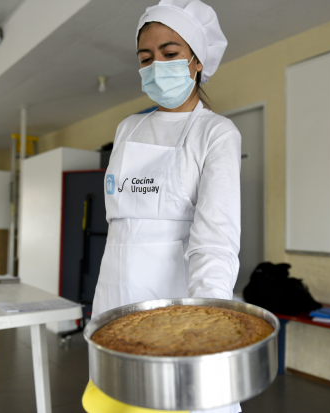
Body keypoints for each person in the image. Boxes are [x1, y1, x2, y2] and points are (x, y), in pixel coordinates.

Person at [82, 1, 242, 412]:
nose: (157, 66)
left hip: (176, 309)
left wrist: (208, 320)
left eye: (170, 54)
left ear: (196, 62)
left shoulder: (216, 132)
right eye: (146, 58)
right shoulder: (128, 128)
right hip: (115, 300)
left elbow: (216, 238)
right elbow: (122, 227)